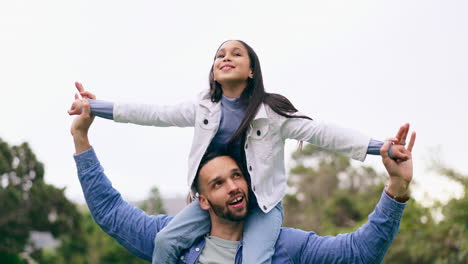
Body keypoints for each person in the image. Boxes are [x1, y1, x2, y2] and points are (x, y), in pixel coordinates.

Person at [68, 40, 410, 264]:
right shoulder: (203, 108)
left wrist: (381, 148)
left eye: (236, 54)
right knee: (163, 241)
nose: (226, 57)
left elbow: (322, 133)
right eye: (219, 55)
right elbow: (153, 113)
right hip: (211, 212)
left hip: (262, 206)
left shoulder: (272, 115)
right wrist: (94, 107)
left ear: (251, 71)